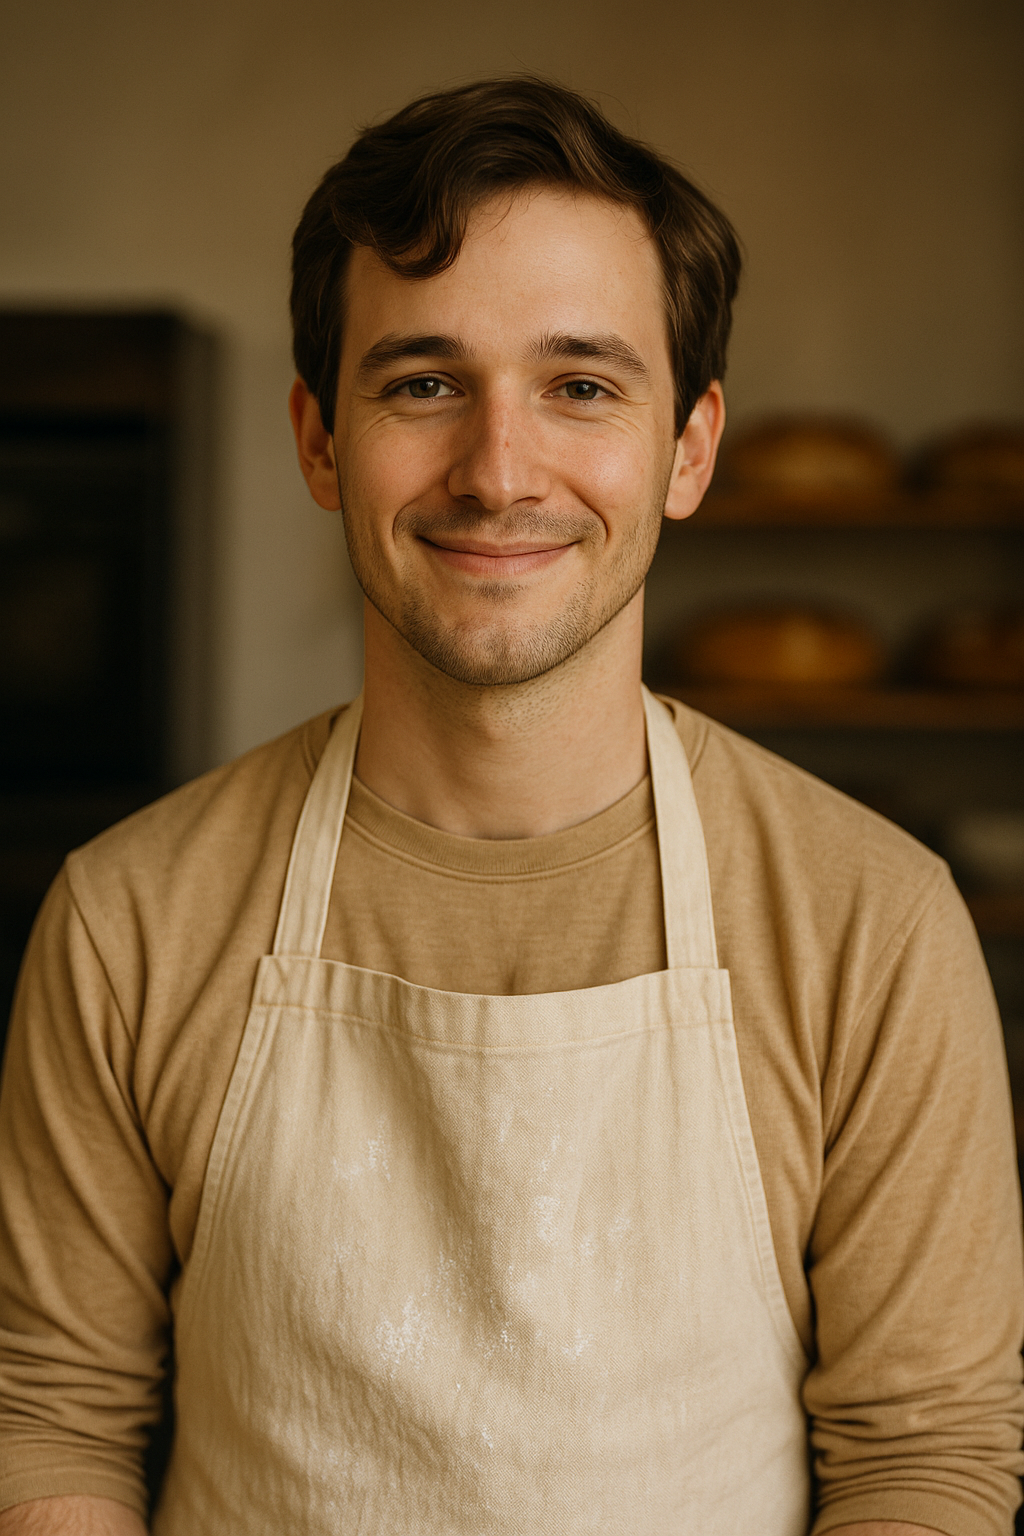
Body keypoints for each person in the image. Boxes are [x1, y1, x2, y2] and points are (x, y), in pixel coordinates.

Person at [0, 75, 1020, 1536]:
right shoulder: (129, 916)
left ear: (690, 449)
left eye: (582, 386)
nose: (498, 471)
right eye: (421, 382)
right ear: (317, 439)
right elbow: (54, 1414)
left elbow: (925, 1459)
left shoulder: (871, 922)